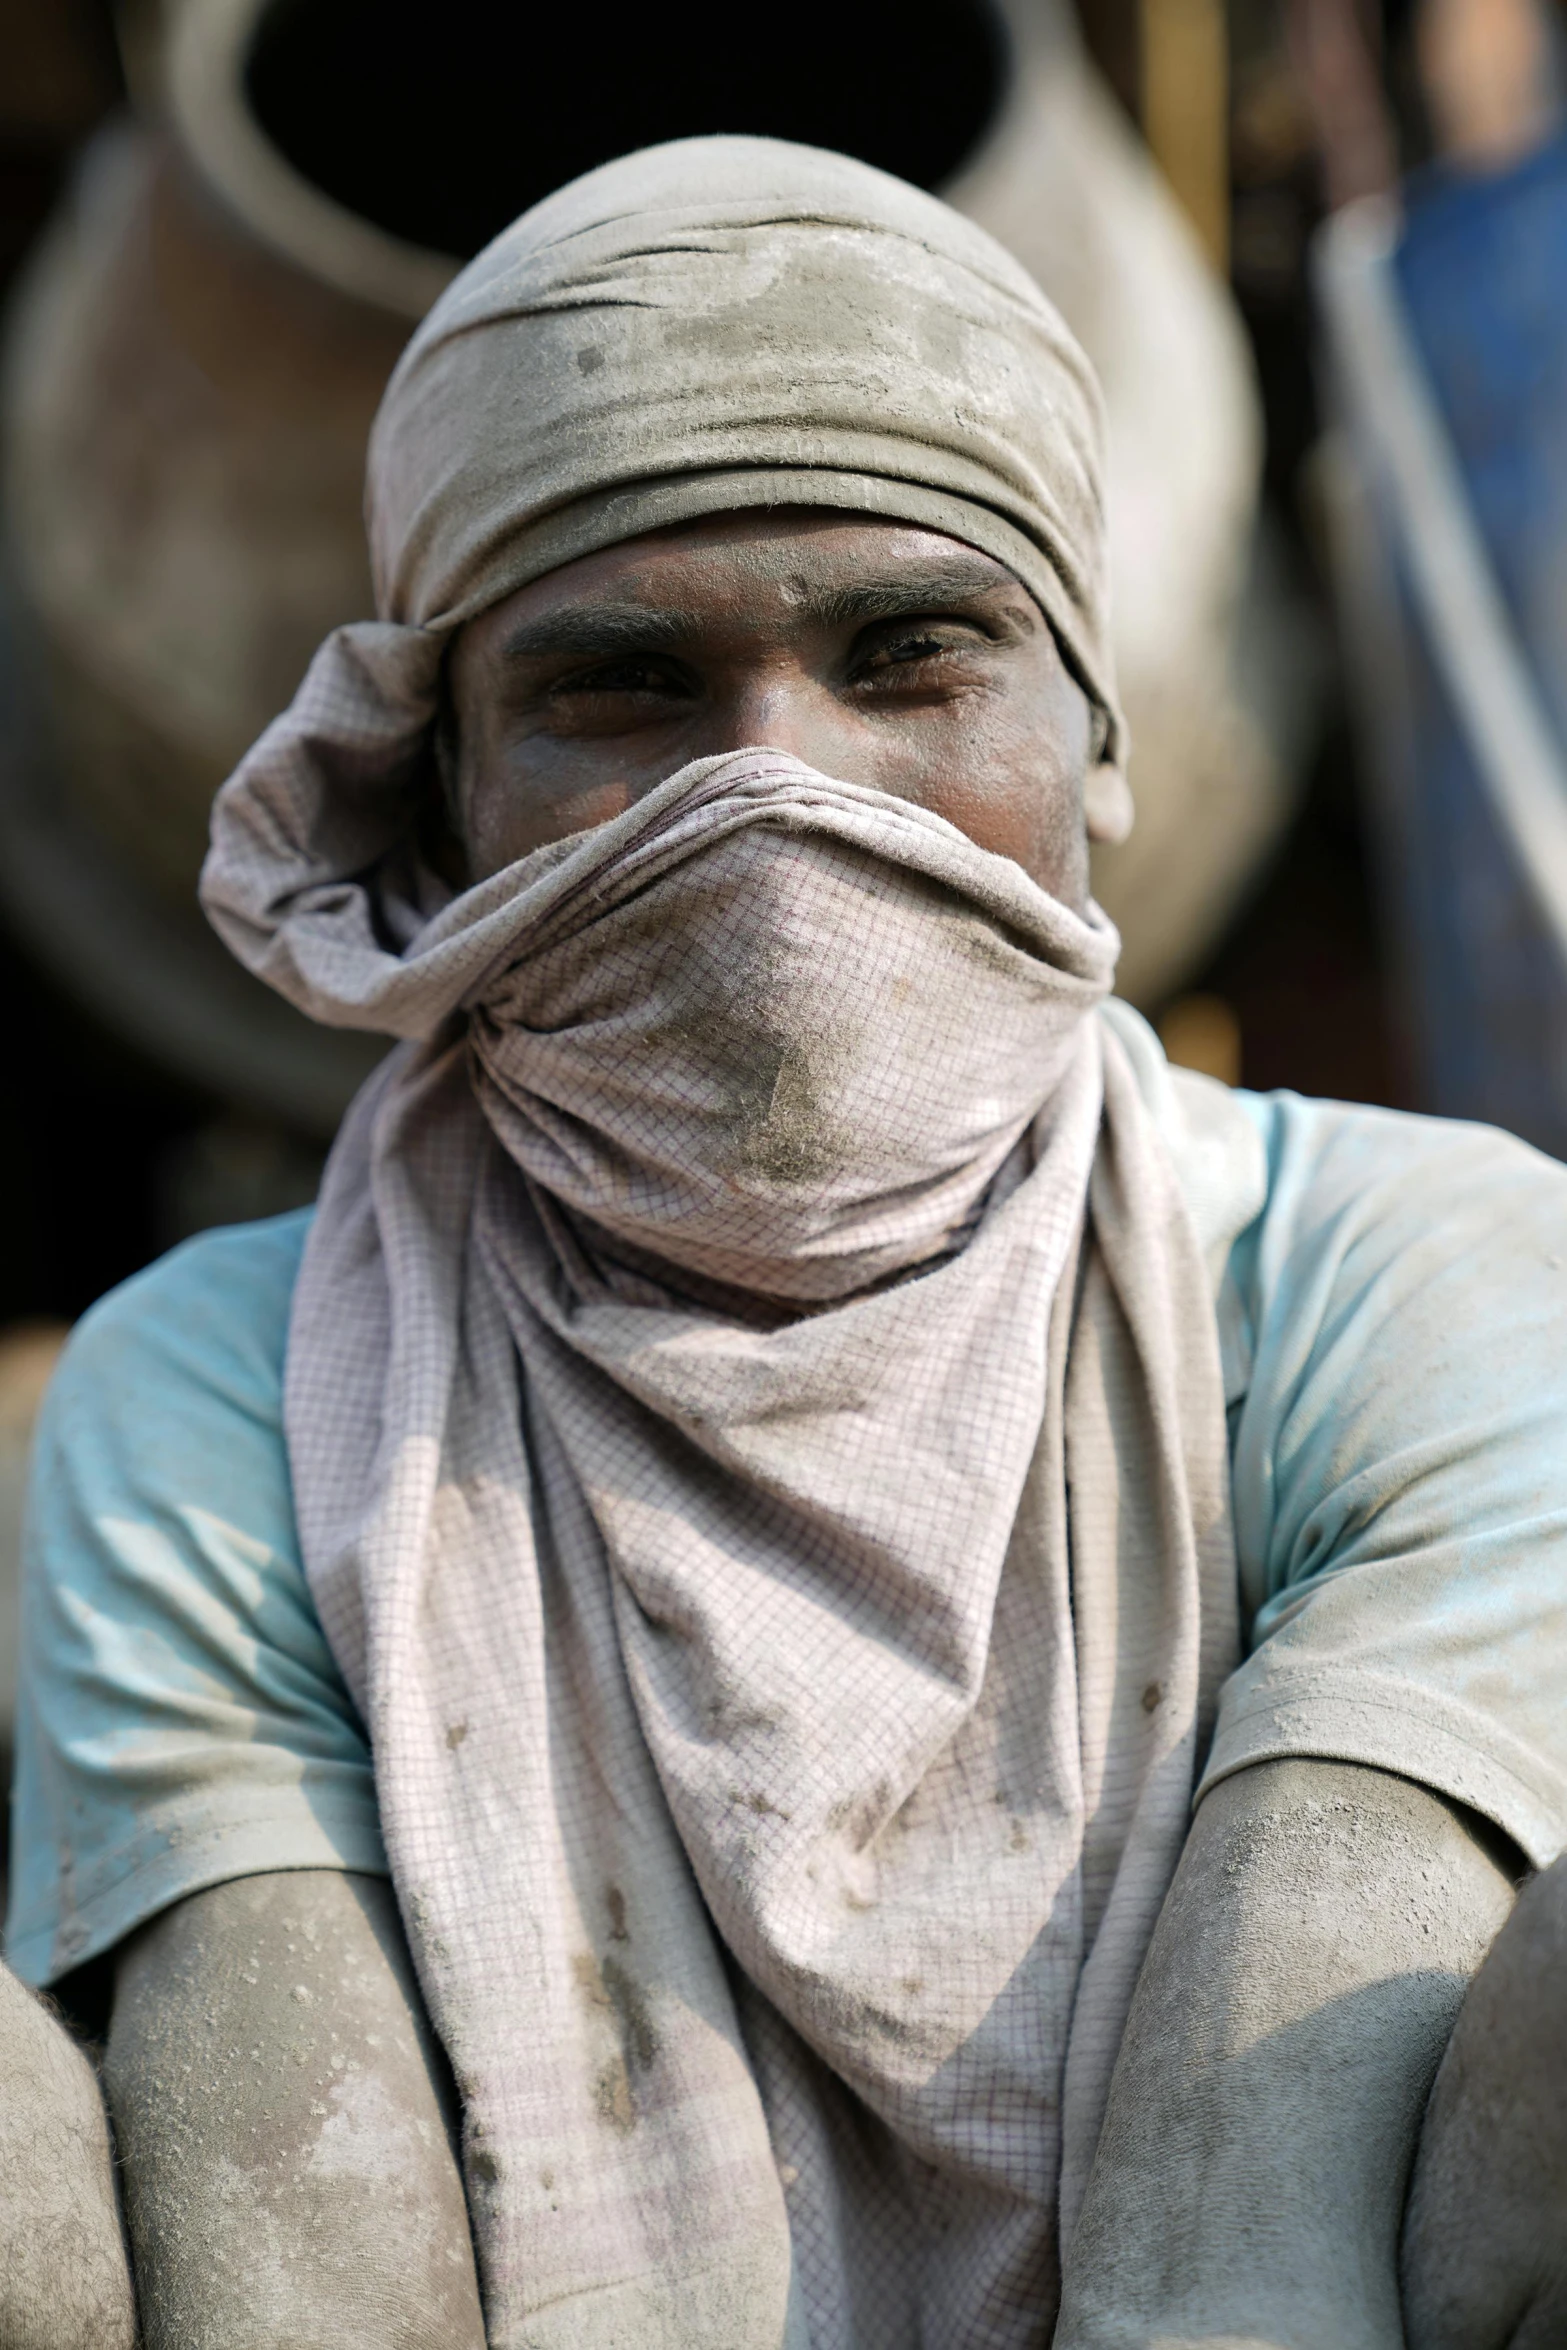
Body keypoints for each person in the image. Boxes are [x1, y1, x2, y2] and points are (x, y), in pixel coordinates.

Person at [2, 134, 1566, 2350]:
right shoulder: (219, 1400)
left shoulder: (1416, 1270)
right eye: (623, 689)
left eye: (908, 652)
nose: (775, 789)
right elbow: (310, 2260)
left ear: (1096, 741)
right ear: (441, 797)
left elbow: (1254, 2241)